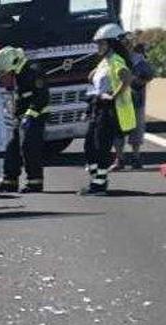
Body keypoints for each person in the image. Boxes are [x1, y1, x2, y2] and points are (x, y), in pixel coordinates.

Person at [80, 23, 136, 196]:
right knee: (89, 146)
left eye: (101, 43)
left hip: (109, 110)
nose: (98, 46)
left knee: (101, 146)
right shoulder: (105, 61)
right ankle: (95, 177)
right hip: (97, 107)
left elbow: (126, 78)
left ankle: (99, 184)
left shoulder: (116, 61)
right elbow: (93, 79)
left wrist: (113, 95)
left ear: (111, 44)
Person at [0, 46, 49, 193]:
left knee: (29, 147)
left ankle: (34, 182)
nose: (5, 75)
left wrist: (29, 115)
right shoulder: (18, 73)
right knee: (12, 148)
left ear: (15, 63)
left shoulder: (33, 72)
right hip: (21, 117)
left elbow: (42, 97)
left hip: (36, 115)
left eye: (6, 72)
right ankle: (9, 181)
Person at [112, 37, 153, 170]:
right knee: (118, 131)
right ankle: (119, 159)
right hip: (120, 101)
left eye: (128, 44)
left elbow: (148, 75)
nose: (126, 46)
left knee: (136, 131)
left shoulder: (138, 60)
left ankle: (135, 157)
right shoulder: (115, 59)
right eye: (123, 44)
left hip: (136, 101)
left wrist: (134, 81)